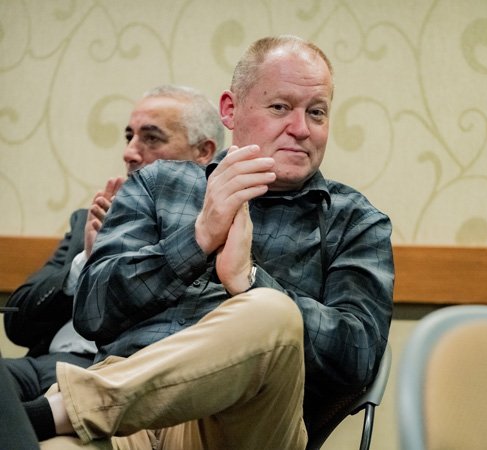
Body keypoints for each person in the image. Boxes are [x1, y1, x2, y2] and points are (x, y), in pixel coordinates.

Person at [33, 35, 394, 450]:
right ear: (230, 110)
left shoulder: (355, 221)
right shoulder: (158, 184)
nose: (300, 129)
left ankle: (57, 411)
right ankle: (68, 414)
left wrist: (249, 280)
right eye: (280, 107)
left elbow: (358, 360)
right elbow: (92, 313)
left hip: (243, 427)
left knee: (270, 310)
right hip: (122, 426)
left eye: (316, 112)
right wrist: (198, 239)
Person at [3, 84, 224, 402]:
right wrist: (86, 261)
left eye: (151, 138)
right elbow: (17, 324)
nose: (129, 153)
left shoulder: (213, 235)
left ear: (203, 152)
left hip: (117, 377)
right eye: (129, 137)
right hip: (38, 365)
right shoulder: (90, 219)